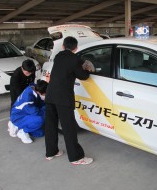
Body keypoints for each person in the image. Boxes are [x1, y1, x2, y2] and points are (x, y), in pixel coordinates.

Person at [44, 36, 94, 165]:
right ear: (76, 48)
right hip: (63, 98)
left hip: (50, 96)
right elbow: (82, 76)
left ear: (63, 46)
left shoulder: (58, 56)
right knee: (69, 128)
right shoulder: (75, 59)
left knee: (50, 125)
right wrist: (87, 70)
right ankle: (76, 158)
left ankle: (51, 152)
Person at [8, 80, 48, 144]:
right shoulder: (28, 99)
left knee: (40, 133)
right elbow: (37, 113)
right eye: (45, 93)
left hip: (25, 113)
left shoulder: (34, 88)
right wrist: (47, 106)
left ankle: (23, 127)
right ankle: (22, 131)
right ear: (39, 92)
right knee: (40, 119)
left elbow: (39, 103)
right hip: (18, 117)